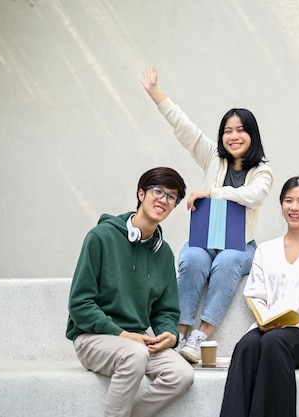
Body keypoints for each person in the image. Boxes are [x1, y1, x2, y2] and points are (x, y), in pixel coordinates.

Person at [142, 66, 274, 363]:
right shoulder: (213, 157)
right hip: (204, 239)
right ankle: (178, 333)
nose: (233, 136)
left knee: (227, 262)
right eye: (228, 130)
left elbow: (254, 196)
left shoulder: (262, 172)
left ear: (252, 135)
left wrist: (212, 193)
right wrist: (154, 92)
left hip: (241, 245)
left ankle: (201, 335)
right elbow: (184, 127)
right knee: (192, 259)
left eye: (241, 130)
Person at [65, 167, 194, 417]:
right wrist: (122, 334)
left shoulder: (164, 253)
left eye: (171, 196)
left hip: (137, 341)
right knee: (134, 354)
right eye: (158, 191)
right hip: (92, 338)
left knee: (182, 374)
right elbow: (80, 304)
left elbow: (165, 310)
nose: (163, 200)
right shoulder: (100, 237)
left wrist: (169, 334)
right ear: (141, 193)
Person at [219, 175, 299, 417]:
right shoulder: (266, 250)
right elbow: (255, 294)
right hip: (269, 328)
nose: (294, 207)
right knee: (246, 345)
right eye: (288, 201)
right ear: (281, 205)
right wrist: (265, 319)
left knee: (274, 343)